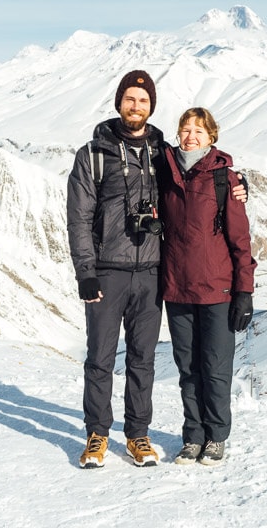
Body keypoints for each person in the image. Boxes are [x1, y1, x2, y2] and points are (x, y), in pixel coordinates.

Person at [67, 70, 165, 469]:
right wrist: (85, 272)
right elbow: (79, 217)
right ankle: (97, 434)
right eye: (130, 99)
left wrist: (237, 182)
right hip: (107, 271)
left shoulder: (165, 153)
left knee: (143, 358)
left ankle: (138, 435)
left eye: (142, 101)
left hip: (152, 272)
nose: (135, 106)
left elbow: (200, 185)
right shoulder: (93, 154)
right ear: (118, 103)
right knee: (100, 358)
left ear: (151, 106)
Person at [158, 107, 257, 466]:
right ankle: (192, 437)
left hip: (217, 290)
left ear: (211, 137)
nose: (191, 136)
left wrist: (244, 291)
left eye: (199, 131)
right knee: (188, 369)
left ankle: (216, 437)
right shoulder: (165, 174)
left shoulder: (225, 180)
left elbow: (240, 240)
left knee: (215, 368)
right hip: (178, 288)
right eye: (186, 129)